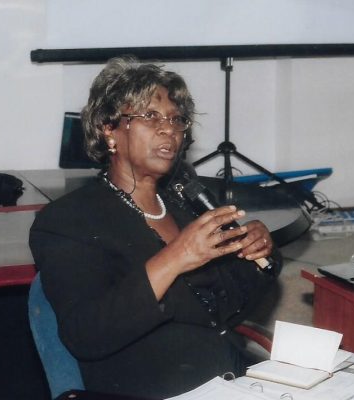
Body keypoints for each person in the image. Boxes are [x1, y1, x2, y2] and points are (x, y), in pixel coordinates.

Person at [29, 56, 281, 398]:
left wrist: (260, 251)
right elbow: (86, 334)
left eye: (176, 119)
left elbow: (226, 306)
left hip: (228, 380)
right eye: (150, 116)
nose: (168, 129)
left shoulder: (183, 202)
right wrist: (175, 257)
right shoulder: (69, 219)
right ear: (108, 128)